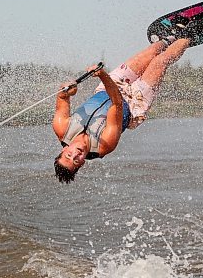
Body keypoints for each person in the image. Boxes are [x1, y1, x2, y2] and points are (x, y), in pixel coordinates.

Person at [52, 37, 190, 183]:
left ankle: (170, 38)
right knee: (159, 61)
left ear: (63, 150)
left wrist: (68, 90)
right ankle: (190, 35)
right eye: (76, 161)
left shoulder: (61, 127)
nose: (76, 155)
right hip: (134, 103)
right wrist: (103, 75)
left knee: (152, 51)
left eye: (68, 155)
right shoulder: (104, 145)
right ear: (82, 163)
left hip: (106, 89)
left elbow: (62, 97)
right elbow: (117, 103)